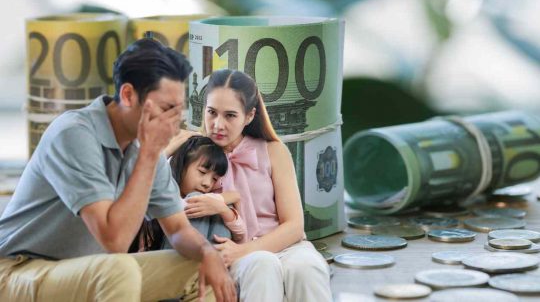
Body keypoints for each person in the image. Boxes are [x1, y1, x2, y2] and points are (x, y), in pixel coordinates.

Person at [0, 38, 236, 302]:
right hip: (17, 270)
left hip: (85, 271)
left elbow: (179, 229)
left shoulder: (145, 148)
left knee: (201, 266)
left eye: (178, 111)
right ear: (127, 95)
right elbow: (115, 241)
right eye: (165, 109)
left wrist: (207, 252)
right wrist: (148, 154)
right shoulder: (74, 135)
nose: (173, 123)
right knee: (120, 268)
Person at [168, 69, 332, 301]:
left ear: (249, 115)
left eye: (230, 115)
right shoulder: (194, 152)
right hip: (229, 251)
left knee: (308, 268)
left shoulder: (274, 151)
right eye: (212, 112)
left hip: (284, 245)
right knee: (262, 265)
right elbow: (166, 202)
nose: (217, 124)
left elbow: (294, 225)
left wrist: (243, 250)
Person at [130, 135, 246, 252]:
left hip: (204, 261)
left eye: (214, 179)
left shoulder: (210, 202)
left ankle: (215, 264)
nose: (207, 183)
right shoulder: (162, 191)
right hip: (164, 262)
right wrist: (223, 198)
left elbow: (241, 234)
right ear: (183, 164)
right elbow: (140, 178)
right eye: (202, 172)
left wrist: (223, 209)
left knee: (218, 208)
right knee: (199, 201)